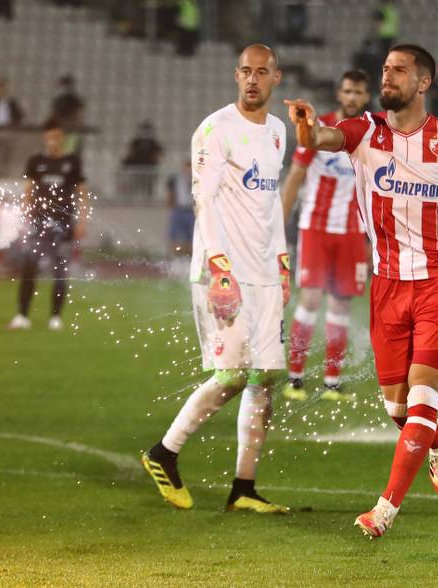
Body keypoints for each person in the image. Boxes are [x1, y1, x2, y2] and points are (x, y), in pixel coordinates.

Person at [285, 43, 438, 537]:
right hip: (387, 287)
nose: (388, 77)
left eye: (399, 71)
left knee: (423, 399)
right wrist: (304, 126)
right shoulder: (366, 131)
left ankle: (384, 509)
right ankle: (437, 437)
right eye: (385, 69)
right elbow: (321, 136)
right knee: (399, 411)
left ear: (423, 83)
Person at [141, 44, 290, 514]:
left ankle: (243, 487)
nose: (252, 79)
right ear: (235, 75)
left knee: (263, 377)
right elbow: (203, 201)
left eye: (261, 72)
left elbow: (270, 206)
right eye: (245, 71)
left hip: (265, 271)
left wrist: (283, 261)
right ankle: (164, 452)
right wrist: (220, 268)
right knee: (231, 375)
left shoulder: (278, 132)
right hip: (224, 271)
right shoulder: (215, 128)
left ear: (275, 79)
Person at [280, 69, 371, 402]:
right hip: (315, 227)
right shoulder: (318, 130)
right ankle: (295, 378)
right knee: (312, 301)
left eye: (358, 93)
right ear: (339, 93)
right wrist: (279, 223)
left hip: (352, 232)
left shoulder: (371, 134)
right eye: (347, 91)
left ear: (366, 97)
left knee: (341, 305)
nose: (351, 97)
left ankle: (332, 382)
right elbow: (294, 177)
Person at [8, 118, 86, 331]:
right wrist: (25, 217)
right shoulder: (35, 161)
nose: (53, 141)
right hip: (38, 222)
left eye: (57, 137)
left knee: (60, 270)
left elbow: (82, 193)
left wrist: (82, 221)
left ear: (62, 138)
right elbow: (28, 191)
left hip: (63, 224)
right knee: (29, 267)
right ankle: (22, 316)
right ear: (45, 138)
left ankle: (55, 317)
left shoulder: (72, 162)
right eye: (49, 137)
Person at [166, 160, 194, 255]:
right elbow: (171, 193)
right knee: (174, 233)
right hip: (179, 209)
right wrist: (171, 205)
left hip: (191, 210)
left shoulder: (196, 180)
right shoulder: (176, 179)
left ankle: (188, 254)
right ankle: (174, 254)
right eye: (186, 167)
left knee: (190, 235)